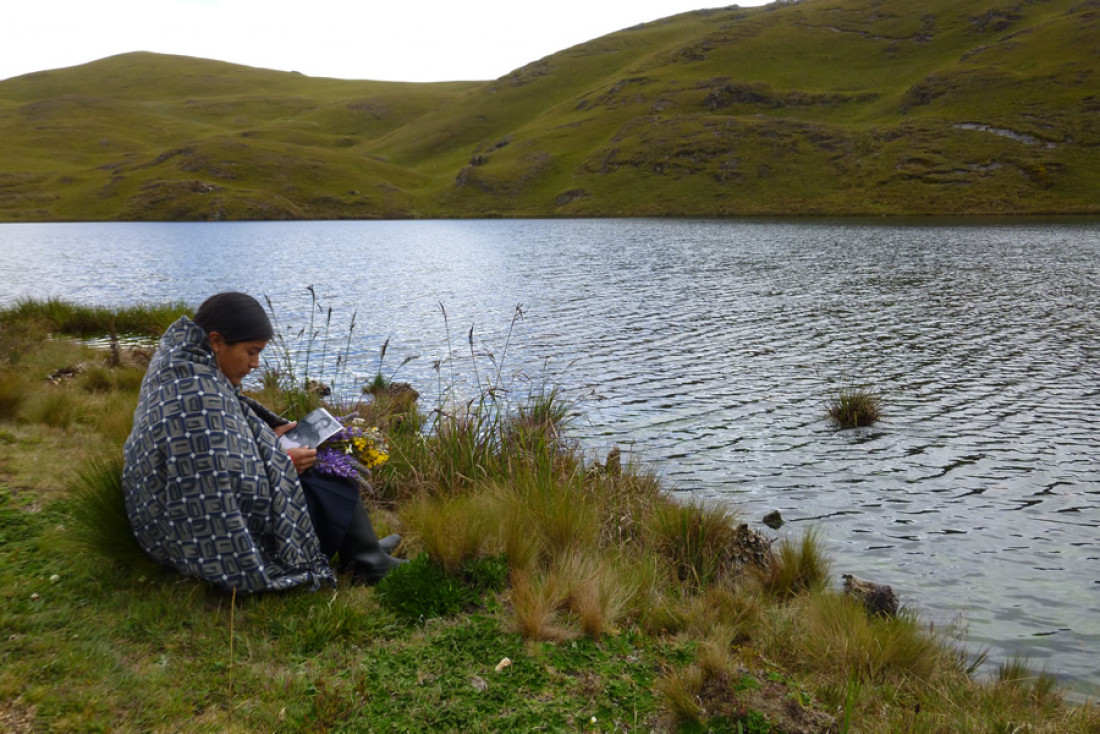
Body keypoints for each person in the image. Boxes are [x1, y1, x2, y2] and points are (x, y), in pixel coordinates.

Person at [121, 292, 403, 593]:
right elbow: (215, 482)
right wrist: (284, 463)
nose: (256, 364)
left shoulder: (182, 366)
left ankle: (362, 549)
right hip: (199, 535)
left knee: (326, 454)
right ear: (216, 341)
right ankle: (368, 562)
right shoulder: (198, 393)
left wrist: (270, 438)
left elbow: (221, 449)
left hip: (169, 520)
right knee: (330, 471)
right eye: (251, 352)